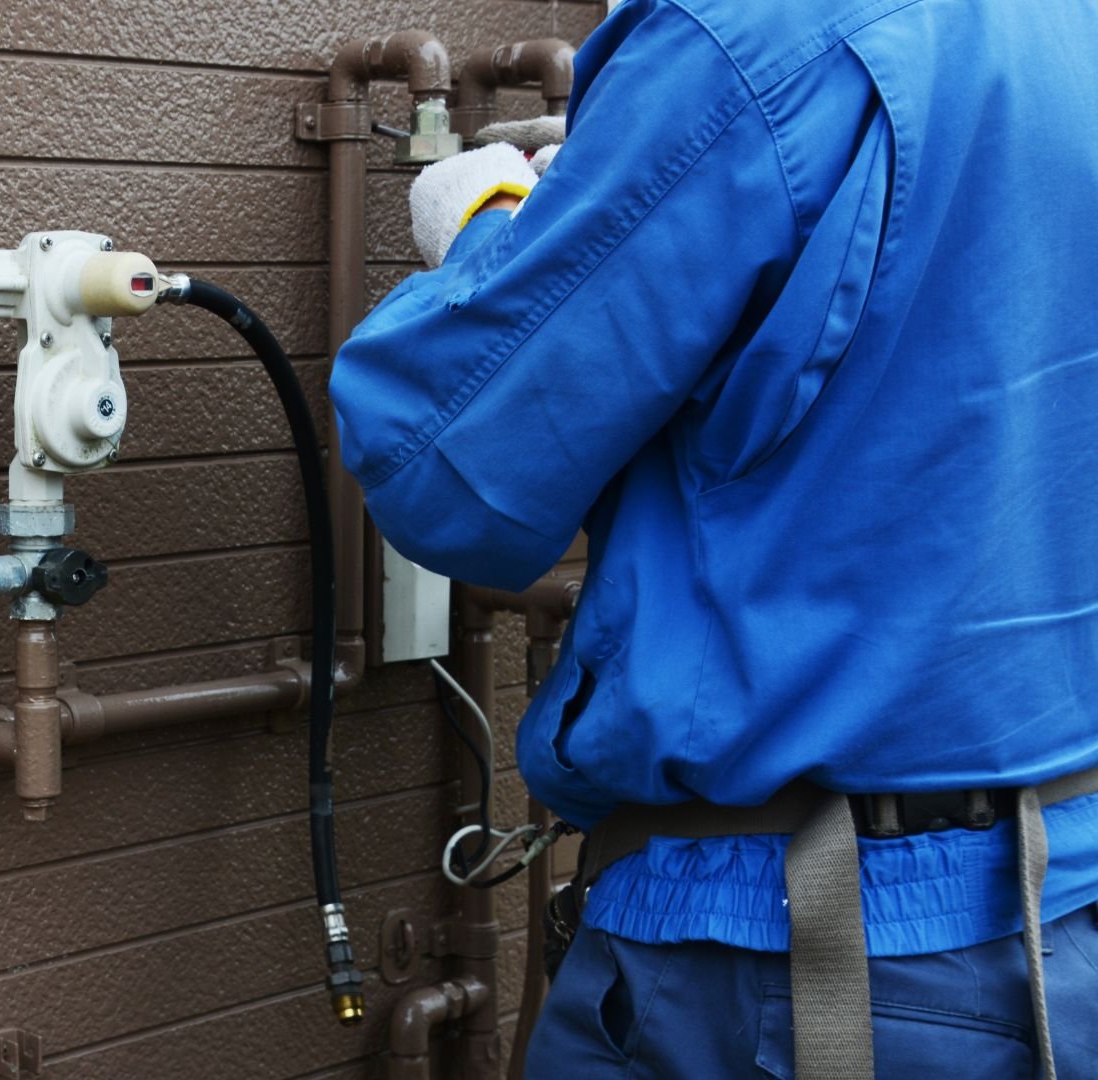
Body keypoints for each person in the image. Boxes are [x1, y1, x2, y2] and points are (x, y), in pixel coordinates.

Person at [330, 0, 1098, 1076]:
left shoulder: (751, 37)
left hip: (785, 964)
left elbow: (452, 466)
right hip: (1055, 916)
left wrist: (492, 230)